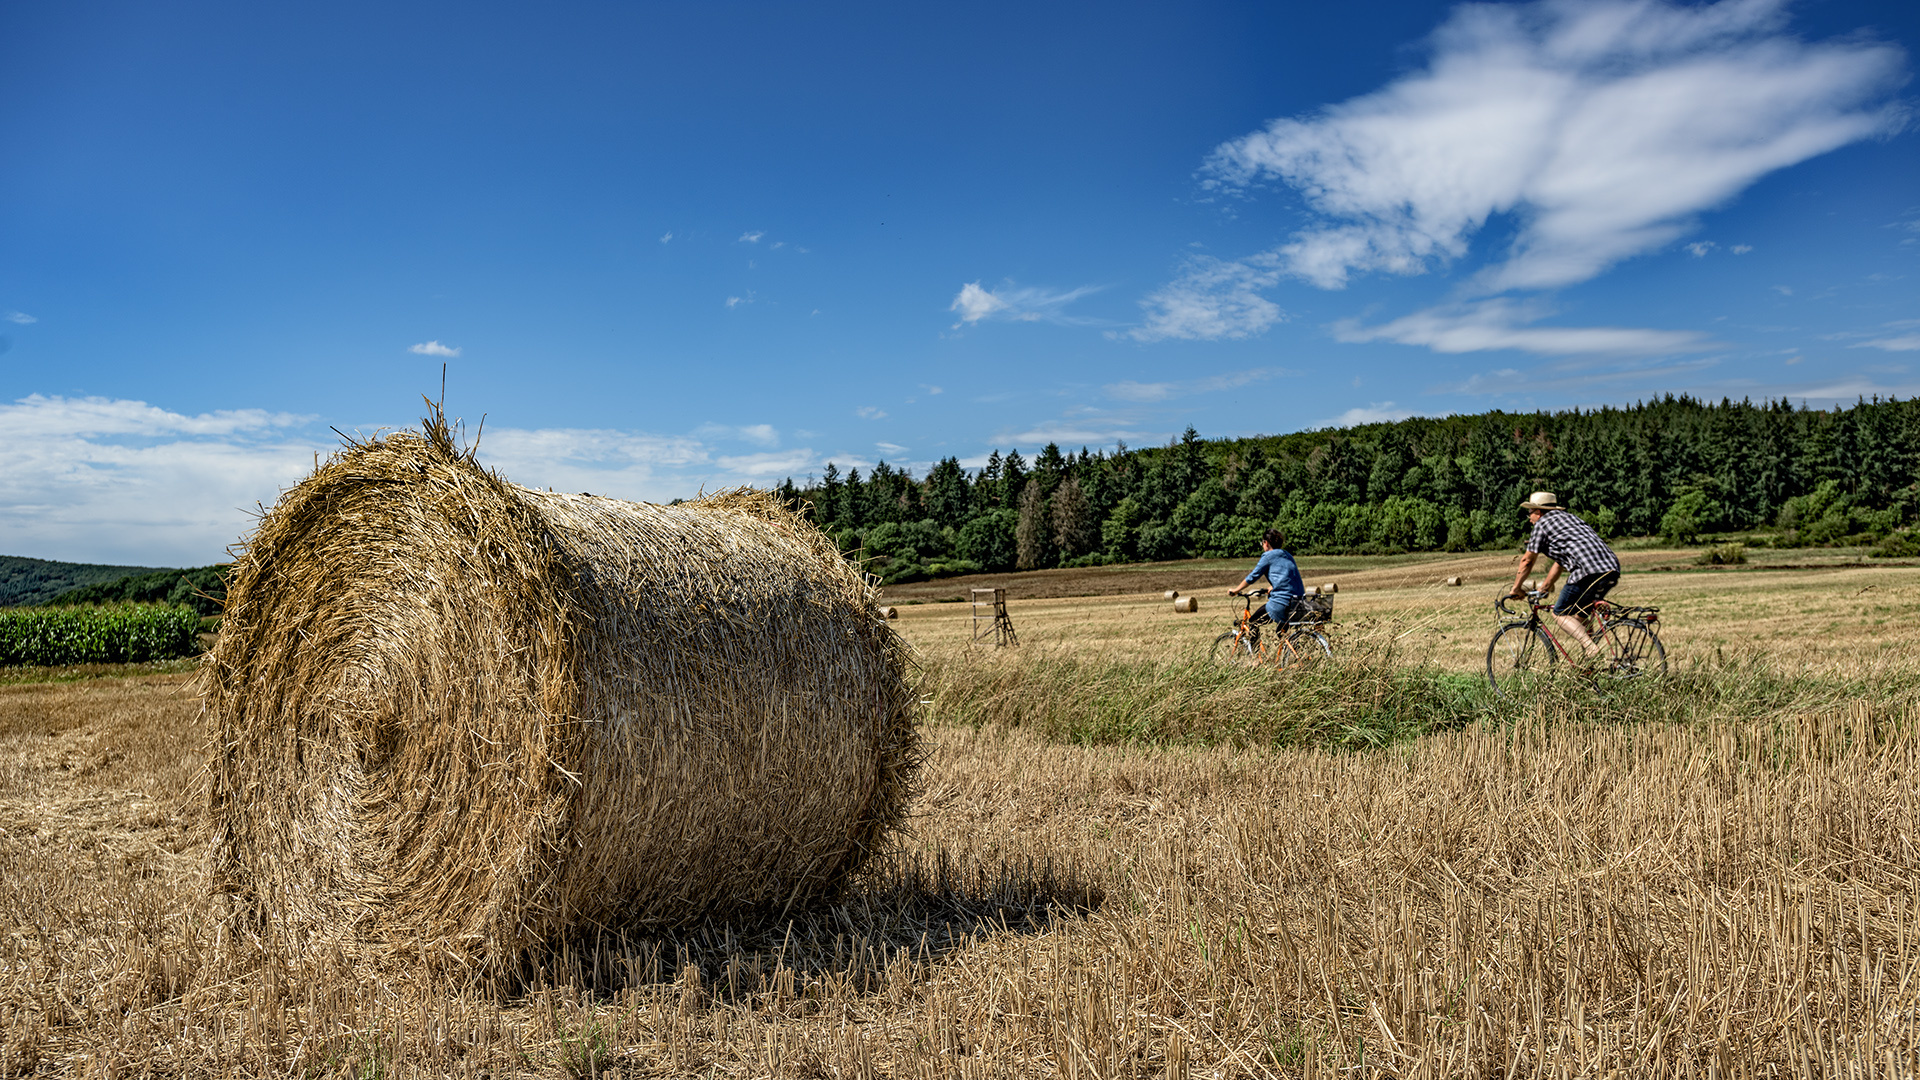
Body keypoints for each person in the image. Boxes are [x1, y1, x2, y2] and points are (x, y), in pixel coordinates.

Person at [1507, 491, 1620, 657]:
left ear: (1538, 512)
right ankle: (1589, 669)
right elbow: (1560, 563)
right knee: (1580, 617)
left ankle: (1591, 648)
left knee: (1560, 613)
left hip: (1586, 571)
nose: (1529, 518)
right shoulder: (1570, 519)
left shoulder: (1542, 524)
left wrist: (1516, 588)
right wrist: (1545, 588)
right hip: (1611, 568)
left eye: (1529, 513)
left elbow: (1527, 561)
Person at [1227, 528, 1305, 630]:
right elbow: (1289, 576)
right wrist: (1274, 586)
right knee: (1281, 631)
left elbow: (1252, 577)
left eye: (1262, 543)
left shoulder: (1267, 556)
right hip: (1298, 602)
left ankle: (1254, 646)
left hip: (1282, 602)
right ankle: (1291, 645)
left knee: (1253, 623)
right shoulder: (1287, 555)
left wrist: (1236, 590)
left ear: (1266, 543)